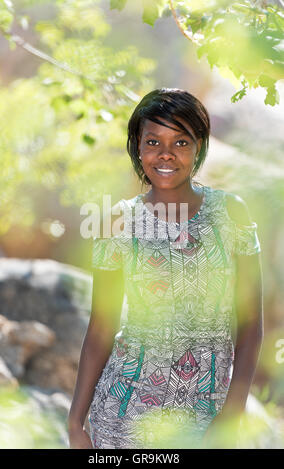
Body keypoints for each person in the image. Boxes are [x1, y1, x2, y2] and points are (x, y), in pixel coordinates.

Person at [68, 88, 263, 449]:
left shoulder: (231, 213)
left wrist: (233, 413)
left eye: (181, 142)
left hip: (206, 419)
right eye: (153, 141)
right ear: (137, 147)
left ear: (200, 147)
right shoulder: (116, 221)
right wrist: (76, 421)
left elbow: (250, 323)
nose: (166, 154)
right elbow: (101, 327)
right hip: (122, 417)